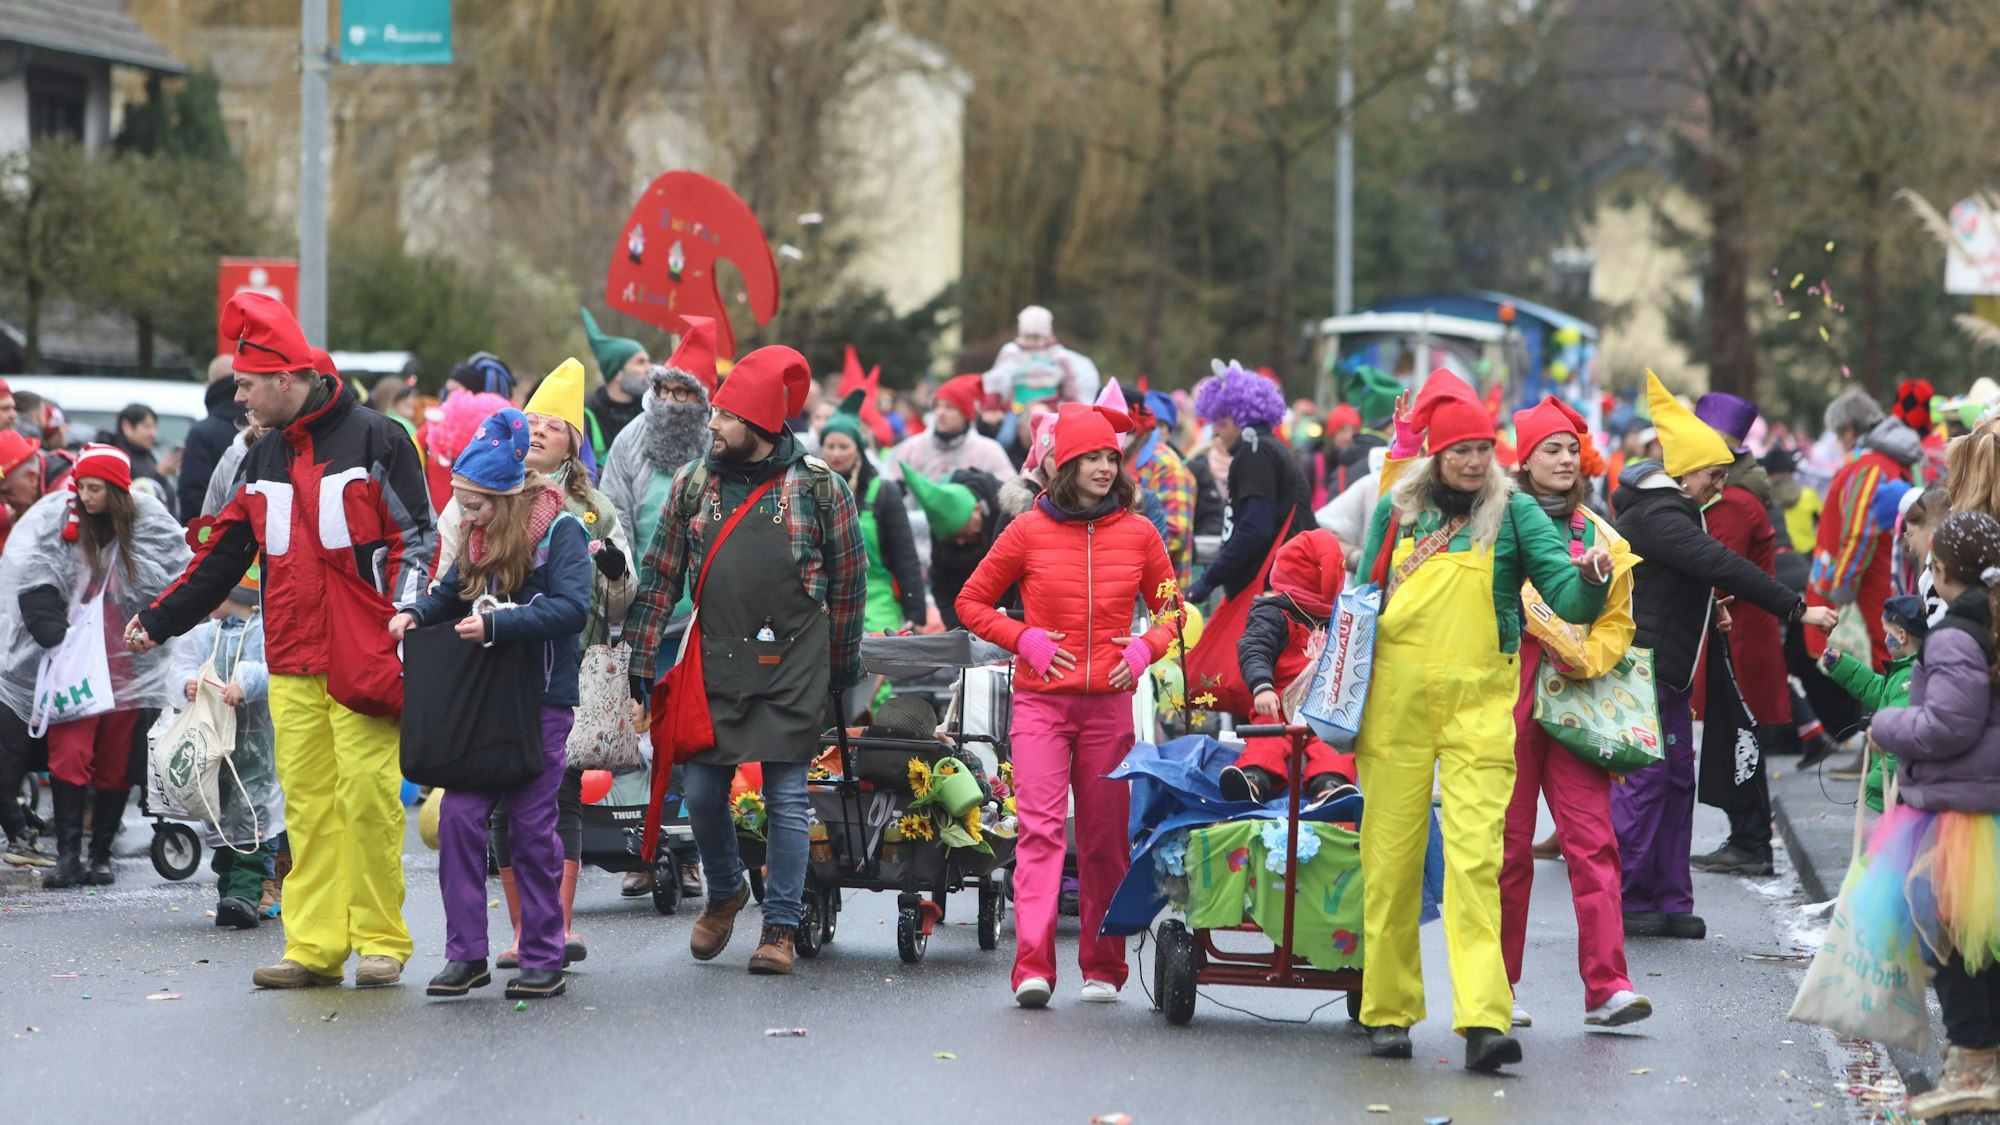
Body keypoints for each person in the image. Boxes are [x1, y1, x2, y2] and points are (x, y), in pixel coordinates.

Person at [130, 292, 436, 991]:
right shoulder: (261, 455)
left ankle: (381, 939)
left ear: (286, 377)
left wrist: (407, 618)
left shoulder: (380, 438)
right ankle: (315, 945)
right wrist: (161, 617)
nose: (237, 395)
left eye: (245, 383)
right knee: (305, 803)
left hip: (364, 655)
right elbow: (223, 554)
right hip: (291, 654)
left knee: (365, 796)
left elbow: (416, 540)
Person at [1351, 372, 1612, 1072]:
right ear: (1434, 452)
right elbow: (1362, 596)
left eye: (1482, 448)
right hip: (1394, 705)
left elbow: (1561, 590)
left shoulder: (1517, 511)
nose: (1472, 460)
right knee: (1392, 862)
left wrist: (1590, 577)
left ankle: (1484, 1020)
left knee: (1477, 861)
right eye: (1460, 449)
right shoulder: (1396, 511)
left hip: (1480, 704)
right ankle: (1387, 1010)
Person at [622, 346, 867, 976]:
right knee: (702, 791)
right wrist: (641, 656)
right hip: (714, 658)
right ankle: (727, 887)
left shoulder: (820, 488)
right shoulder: (693, 484)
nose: (712, 425)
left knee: (787, 798)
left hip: (795, 663)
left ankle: (780, 926)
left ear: (759, 425)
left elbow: (848, 585)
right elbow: (659, 574)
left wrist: (842, 670)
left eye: (726, 416)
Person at [956, 402, 1179, 1008]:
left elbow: (1172, 613)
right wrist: (1022, 635)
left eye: (1112, 457)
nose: (1105, 467)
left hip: (1109, 706)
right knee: (1040, 831)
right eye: (1092, 458)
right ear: (1065, 464)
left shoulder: (1139, 532)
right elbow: (971, 601)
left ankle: (1103, 968)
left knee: (1106, 838)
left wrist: (1141, 652)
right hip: (1039, 705)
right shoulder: (1027, 529)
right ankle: (1032, 966)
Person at [1609, 372, 1836, 941]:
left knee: (1676, 782)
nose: (1717, 487)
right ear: (1685, 471)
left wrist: (1711, 607)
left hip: (1670, 668)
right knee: (1648, 782)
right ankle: (1635, 896)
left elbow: (1690, 576)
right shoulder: (1660, 512)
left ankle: (1668, 897)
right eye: (1713, 475)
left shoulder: (1672, 509)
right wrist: (1797, 609)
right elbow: (1719, 563)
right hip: (1647, 667)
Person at [437, 361, 638, 968]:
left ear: (574, 440)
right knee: (481, 814)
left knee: (549, 807)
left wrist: (614, 572)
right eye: (535, 421)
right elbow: (453, 575)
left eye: (557, 424)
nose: (544, 431)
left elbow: (600, 600)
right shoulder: (476, 497)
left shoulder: (585, 511)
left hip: (560, 673)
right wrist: (425, 614)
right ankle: (507, 938)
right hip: (484, 676)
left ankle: (549, 936)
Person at [394, 407, 590, 1000]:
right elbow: (453, 590)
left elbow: (572, 610)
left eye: (474, 503)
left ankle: (542, 953)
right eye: (461, 501)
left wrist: (502, 626)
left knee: (532, 829)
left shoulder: (562, 530)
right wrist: (414, 614)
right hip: (482, 702)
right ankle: (466, 954)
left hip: (539, 700)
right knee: (457, 819)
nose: (465, 514)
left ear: (506, 497)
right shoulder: (478, 536)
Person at [1496, 396, 1652, 1030]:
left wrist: (1584, 654)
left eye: (1570, 449)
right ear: (1525, 460)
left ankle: (1609, 986)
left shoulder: (1604, 535)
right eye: (1549, 449)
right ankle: (1495, 986)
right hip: (1507, 695)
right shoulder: (1497, 522)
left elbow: (1619, 622)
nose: (1563, 459)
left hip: (1578, 700)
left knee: (1593, 842)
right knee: (1505, 848)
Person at [1853, 510, 2000, 1121]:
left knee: (1949, 940)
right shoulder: (1983, 623)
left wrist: (1885, 724)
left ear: (1939, 571)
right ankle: (1981, 1063)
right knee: (1978, 943)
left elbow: (1948, 724)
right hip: (1976, 802)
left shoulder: (1957, 636)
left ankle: (1973, 1065)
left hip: (1958, 809)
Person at [0, 445, 189, 888]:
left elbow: (172, 579)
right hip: (72, 664)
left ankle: (99, 855)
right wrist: (51, 630)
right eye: (80, 486)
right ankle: (69, 855)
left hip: (126, 663)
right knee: (69, 755)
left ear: (116, 490)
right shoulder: (56, 526)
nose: (83, 496)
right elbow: (34, 578)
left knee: (114, 760)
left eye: (94, 488)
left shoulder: (146, 526)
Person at [597, 322, 718, 902]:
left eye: (686, 395)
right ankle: (638, 852)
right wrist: (618, 588)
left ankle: (688, 851)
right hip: (638, 615)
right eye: (666, 391)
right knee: (631, 735)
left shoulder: (719, 446)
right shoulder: (631, 441)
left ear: (705, 402)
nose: (672, 404)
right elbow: (612, 516)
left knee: (688, 736)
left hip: (699, 620)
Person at [1687, 392, 1792, 877]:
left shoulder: (1732, 503)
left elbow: (1717, 569)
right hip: (1742, 636)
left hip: (1740, 640)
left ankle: (1750, 842)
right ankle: (1745, 838)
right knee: (1737, 740)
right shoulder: (1740, 496)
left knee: (1740, 742)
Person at [167, 571, 283, 929]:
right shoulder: (206, 634)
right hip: (213, 743)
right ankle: (227, 892)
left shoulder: (263, 631)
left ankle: (247, 894)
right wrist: (186, 682)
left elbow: (273, 667)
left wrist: (245, 682)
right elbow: (181, 665)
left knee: (254, 816)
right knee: (220, 816)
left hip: (256, 744)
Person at [1227, 529, 1359, 806]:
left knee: (1335, 745)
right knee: (1268, 738)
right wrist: (1262, 687)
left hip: (1326, 708)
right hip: (1275, 703)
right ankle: (1252, 780)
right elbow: (1255, 648)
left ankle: (1330, 786)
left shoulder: (1344, 616)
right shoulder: (1273, 611)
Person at [1184, 361, 1316, 606]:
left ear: (1233, 415)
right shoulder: (1269, 447)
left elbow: (1254, 530)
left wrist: (1207, 581)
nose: (1215, 431)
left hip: (1265, 595)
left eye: (1218, 420)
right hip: (1273, 591)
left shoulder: (1255, 451)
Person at [1808, 389, 1920, 670]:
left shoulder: (1869, 466)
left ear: (1848, 431)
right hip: (1891, 579)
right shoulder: (1893, 462)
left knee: (1877, 666)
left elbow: (1860, 534)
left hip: (1871, 590)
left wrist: (1841, 593)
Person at [600, 317, 719, 563]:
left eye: (681, 391)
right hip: (644, 587)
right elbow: (615, 512)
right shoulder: (630, 438)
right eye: (663, 388)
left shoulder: (721, 440)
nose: (668, 400)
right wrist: (623, 581)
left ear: (701, 398)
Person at [821, 391, 923, 634]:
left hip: (877, 598)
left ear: (858, 449)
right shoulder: (810, 488)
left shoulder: (883, 492)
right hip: (826, 599)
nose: (836, 453)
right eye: (830, 446)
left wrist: (915, 612)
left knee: (878, 663)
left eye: (843, 446)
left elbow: (905, 556)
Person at [1820, 594, 1925, 813]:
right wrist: (1843, 665)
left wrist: (1877, 781)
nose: (1885, 639)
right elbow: (1878, 691)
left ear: (1901, 636)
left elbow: (1900, 739)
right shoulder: (1904, 672)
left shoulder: (1910, 678)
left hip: (1901, 791)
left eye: (1887, 633)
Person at [905, 467, 1008, 632]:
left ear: (977, 509)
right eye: (954, 537)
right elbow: (941, 584)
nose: (959, 542)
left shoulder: (1007, 512)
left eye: (963, 533)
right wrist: (961, 631)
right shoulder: (942, 532)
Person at [1119, 387, 1196, 584]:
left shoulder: (1164, 464)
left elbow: (1174, 534)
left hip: (1162, 597)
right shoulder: (1116, 459)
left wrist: (1118, 558)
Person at [882, 373, 1016, 487]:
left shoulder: (989, 451)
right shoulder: (911, 448)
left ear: (966, 415)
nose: (941, 412)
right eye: (938, 405)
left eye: (950, 407)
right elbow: (887, 486)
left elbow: (1007, 493)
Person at [982, 304, 1101, 408]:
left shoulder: (1058, 356)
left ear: (1047, 337)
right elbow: (996, 380)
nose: (1032, 343)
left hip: (1050, 407)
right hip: (1017, 408)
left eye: (1037, 338)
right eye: (1028, 338)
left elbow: (1072, 383)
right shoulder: (1012, 353)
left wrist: (1073, 405)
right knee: (1006, 433)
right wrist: (992, 405)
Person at [180, 355, 247, 519]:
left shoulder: (202, 432)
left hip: (213, 534)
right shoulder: (263, 427)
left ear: (210, 385)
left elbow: (192, 495)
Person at [580, 308, 651, 458]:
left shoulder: (651, 414)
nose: (648, 369)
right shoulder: (587, 419)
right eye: (640, 362)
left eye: (648, 362)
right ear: (618, 373)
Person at [105, 403, 175, 517]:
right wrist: (159, 475)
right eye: (147, 427)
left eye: (154, 427)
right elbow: (136, 493)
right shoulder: (118, 457)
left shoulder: (149, 453)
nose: (153, 433)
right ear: (127, 426)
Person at [1762, 446, 1822, 558]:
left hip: (1779, 556)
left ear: (1768, 475)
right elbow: (1824, 523)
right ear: (1791, 472)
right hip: (1809, 555)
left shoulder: (1764, 500)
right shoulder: (1809, 495)